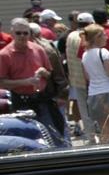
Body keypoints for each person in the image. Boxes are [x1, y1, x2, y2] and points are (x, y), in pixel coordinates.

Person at [0, 17, 67, 145]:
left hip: (44, 99)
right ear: (12, 33)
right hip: (22, 102)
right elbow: (1, 82)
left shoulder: (39, 49)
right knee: (29, 138)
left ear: (30, 34)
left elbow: (50, 74)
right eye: (18, 33)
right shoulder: (4, 54)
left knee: (54, 135)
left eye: (25, 33)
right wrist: (24, 82)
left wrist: (44, 72)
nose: (22, 36)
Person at [65, 13, 94, 140]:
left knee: (83, 108)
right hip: (91, 78)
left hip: (77, 80)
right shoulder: (88, 36)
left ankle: (90, 136)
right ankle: (100, 133)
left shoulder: (70, 36)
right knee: (95, 107)